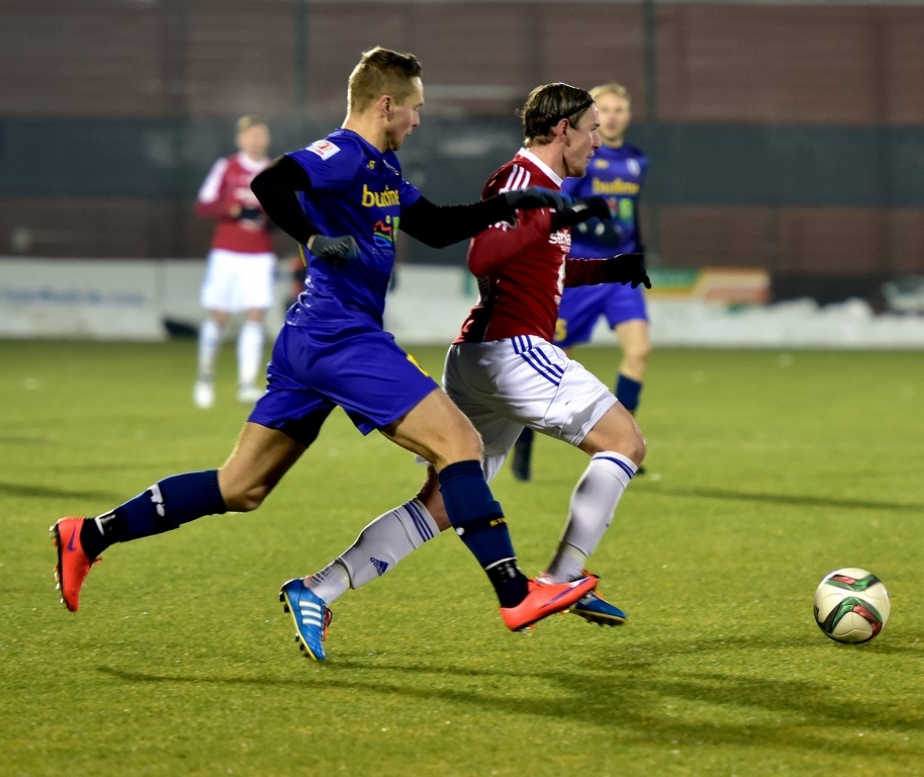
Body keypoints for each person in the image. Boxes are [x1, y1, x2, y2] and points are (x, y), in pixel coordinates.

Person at [51, 47, 598, 660]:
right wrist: (312, 236)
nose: (418, 120)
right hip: (342, 337)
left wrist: (510, 205)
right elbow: (270, 183)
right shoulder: (343, 153)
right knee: (460, 445)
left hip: (311, 340)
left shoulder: (383, 169)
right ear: (386, 104)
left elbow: (437, 226)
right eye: (414, 108)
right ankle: (514, 592)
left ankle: (88, 536)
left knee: (241, 487)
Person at [284, 82, 650, 659]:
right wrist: (545, 218)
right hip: (512, 351)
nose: (598, 143)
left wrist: (610, 268)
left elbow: (540, 267)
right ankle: (560, 578)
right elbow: (483, 256)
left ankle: (317, 589)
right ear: (563, 130)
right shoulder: (522, 180)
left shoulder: (541, 185)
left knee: (441, 503)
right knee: (625, 442)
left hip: (485, 356)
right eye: (592, 130)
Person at [511, 83, 651, 481]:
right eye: (604, 110)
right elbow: (561, 204)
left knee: (640, 350)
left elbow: (632, 210)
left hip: (620, 273)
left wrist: (638, 249)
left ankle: (623, 443)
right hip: (582, 271)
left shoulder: (637, 160)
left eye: (619, 109)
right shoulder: (582, 155)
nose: (612, 116)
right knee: (556, 363)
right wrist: (592, 225)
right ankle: (524, 439)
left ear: (628, 115)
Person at [193, 115, 278, 409]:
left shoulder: (274, 170)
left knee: (255, 315)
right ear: (240, 139)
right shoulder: (226, 167)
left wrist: (267, 216)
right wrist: (233, 209)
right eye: (250, 135)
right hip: (227, 253)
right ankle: (205, 376)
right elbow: (204, 204)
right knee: (220, 316)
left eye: (261, 134)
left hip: (260, 255)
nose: (256, 140)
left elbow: (287, 210)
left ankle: (246, 384)